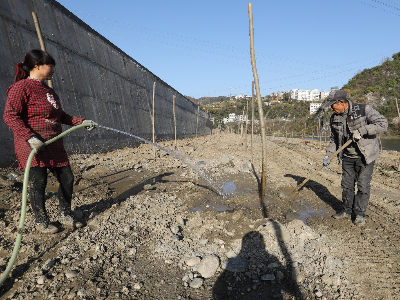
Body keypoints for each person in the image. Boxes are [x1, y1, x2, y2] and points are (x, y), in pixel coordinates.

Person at [3, 49, 98, 234]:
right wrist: (30, 136)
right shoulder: (21, 87)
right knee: (39, 182)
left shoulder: (49, 91)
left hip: (54, 144)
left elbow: (60, 115)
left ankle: (65, 213)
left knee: (67, 178)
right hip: (32, 145)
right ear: (37, 66)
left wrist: (81, 122)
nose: (53, 70)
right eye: (50, 66)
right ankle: (41, 220)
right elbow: (10, 116)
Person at [323, 90, 388, 225]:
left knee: (363, 186)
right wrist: (328, 155)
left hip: (365, 155)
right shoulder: (334, 117)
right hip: (347, 156)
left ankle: (359, 214)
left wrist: (363, 130)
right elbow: (334, 139)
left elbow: (383, 124)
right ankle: (346, 211)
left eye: (332, 105)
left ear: (341, 102)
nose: (331, 108)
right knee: (346, 185)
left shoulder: (363, 110)